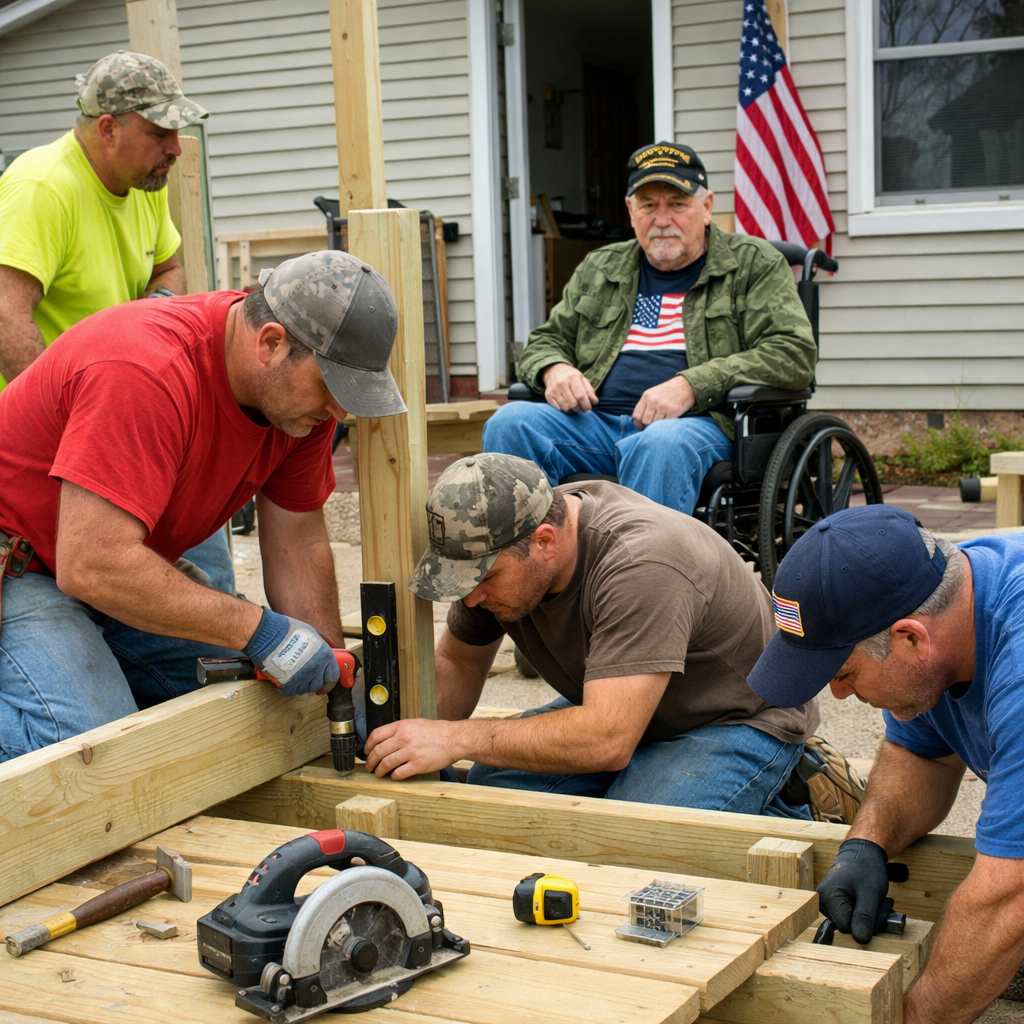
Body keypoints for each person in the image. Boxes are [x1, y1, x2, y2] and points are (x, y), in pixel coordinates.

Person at [0, 250, 406, 761]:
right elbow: (93, 564)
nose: (339, 410)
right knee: (86, 752)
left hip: (111, 568)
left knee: (255, 710)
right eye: (331, 387)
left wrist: (328, 680)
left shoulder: (298, 409)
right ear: (272, 343)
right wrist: (260, 630)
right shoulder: (144, 369)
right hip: (20, 564)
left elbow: (299, 544)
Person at [361, 452, 819, 814]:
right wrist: (402, 741)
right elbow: (460, 661)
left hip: (735, 718)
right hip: (623, 702)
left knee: (630, 835)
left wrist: (454, 738)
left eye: (483, 579)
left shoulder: (643, 562)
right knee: (490, 789)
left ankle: (793, 794)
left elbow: (606, 738)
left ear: (544, 541)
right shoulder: (504, 544)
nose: (472, 598)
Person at [747, 505, 1024, 1023]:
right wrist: (865, 845)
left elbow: (1009, 896)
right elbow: (920, 754)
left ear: (911, 638)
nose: (837, 691)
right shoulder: (950, 612)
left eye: (845, 670)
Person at [0, 49, 233, 590]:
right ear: (108, 128)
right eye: (160, 133)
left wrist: (154, 314)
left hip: (124, 405)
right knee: (107, 574)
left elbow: (168, 266)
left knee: (209, 570)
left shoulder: (142, 182)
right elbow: (6, 312)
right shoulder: (43, 187)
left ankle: (213, 650)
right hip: (52, 438)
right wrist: (68, 431)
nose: (175, 148)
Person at [483, 142, 817, 517]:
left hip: (701, 426)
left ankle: (642, 572)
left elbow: (792, 352)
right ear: (631, 211)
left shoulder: (754, 264)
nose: (662, 219)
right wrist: (553, 369)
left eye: (677, 204)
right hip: (597, 424)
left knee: (659, 444)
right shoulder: (601, 267)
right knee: (509, 423)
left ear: (706, 208)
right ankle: (535, 565)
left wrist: (691, 384)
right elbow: (547, 340)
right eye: (648, 206)